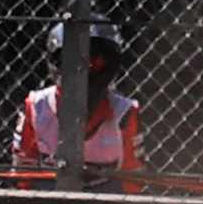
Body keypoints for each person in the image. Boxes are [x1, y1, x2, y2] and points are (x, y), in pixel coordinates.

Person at [13, 16, 139, 182]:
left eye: (93, 61)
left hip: (104, 201)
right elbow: (22, 176)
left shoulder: (124, 112)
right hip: (49, 198)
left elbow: (134, 181)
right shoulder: (37, 106)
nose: (83, 71)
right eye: (73, 61)